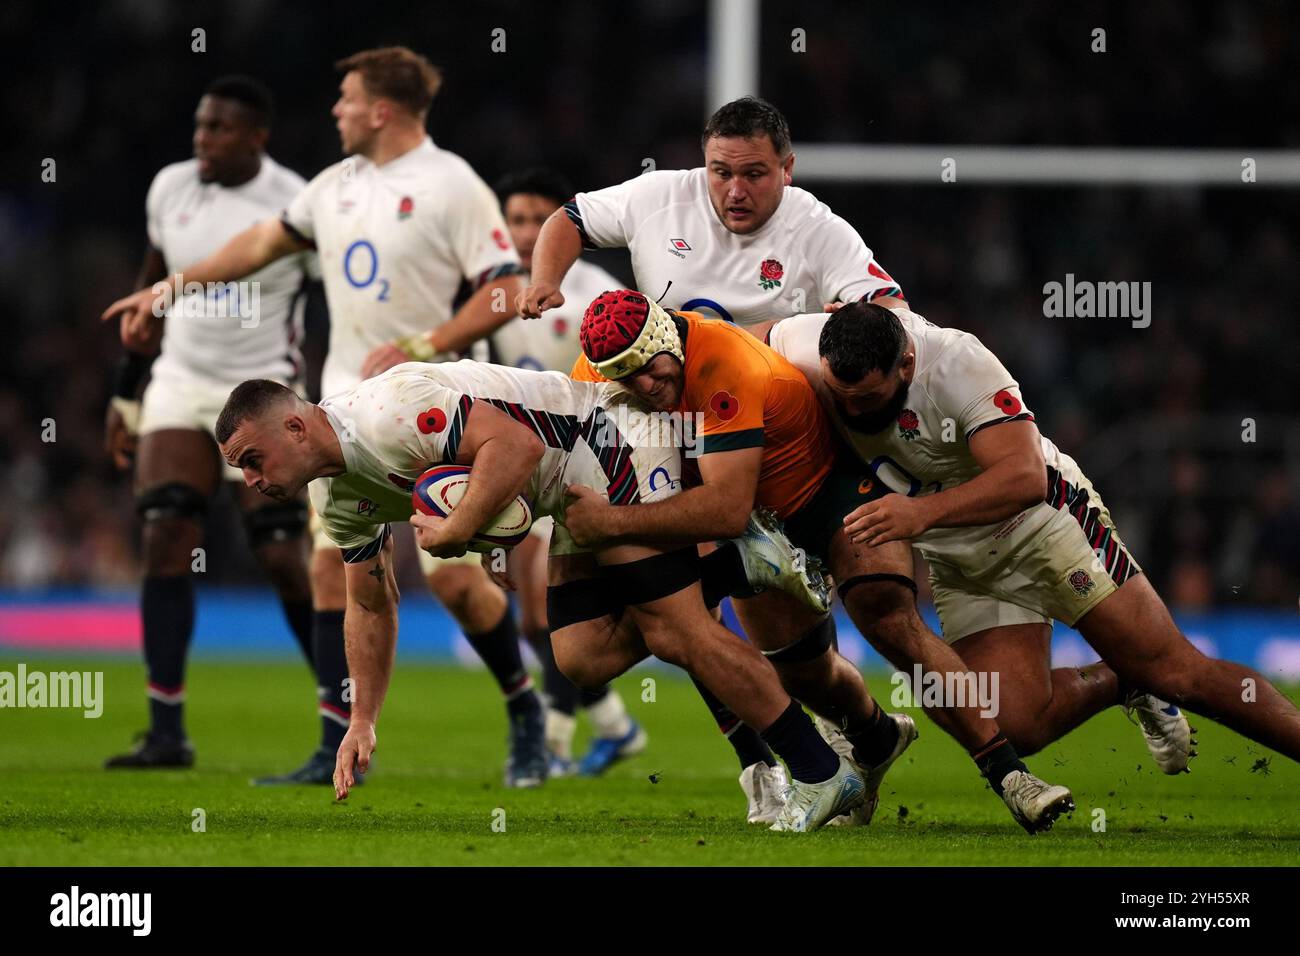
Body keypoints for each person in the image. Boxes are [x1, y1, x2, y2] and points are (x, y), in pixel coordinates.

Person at [103, 48, 548, 787]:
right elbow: (259, 245)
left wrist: (426, 343)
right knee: (332, 573)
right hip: (339, 418)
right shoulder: (331, 187)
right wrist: (172, 287)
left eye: (345, 99)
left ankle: (525, 712)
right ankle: (337, 740)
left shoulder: (452, 184)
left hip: (436, 413)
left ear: (380, 108)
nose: (334, 111)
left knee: (454, 583)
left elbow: (504, 291)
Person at [214, 362, 865, 832]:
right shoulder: (335, 497)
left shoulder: (387, 415)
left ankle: (820, 773)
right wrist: (363, 719)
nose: (251, 480)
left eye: (253, 458)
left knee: (675, 630)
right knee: (580, 656)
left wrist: (461, 528)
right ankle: (734, 561)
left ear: (296, 427)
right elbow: (371, 603)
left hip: (606, 438)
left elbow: (516, 445)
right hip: (564, 492)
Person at [569, 290, 1077, 832]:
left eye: (649, 367)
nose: (644, 385)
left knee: (890, 621)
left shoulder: (722, 363)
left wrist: (614, 525)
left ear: (668, 339)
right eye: (626, 376)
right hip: (752, 533)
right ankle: (875, 736)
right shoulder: (593, 379)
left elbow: (722, 509)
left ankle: (1012, 778)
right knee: (805, 677)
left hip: (827, 493)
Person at [769, 301, 1300, 768]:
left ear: (905, 363)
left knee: (1177, 671)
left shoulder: (959, 363)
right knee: (1016, 725)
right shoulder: (799, 342)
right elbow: (742, 355)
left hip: (1044, 525)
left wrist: (919, 516)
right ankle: (1124, 680)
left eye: (867, 398)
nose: (852, 410)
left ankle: (1151, 677)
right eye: (841, 396)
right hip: (963, 560)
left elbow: (1026, 478)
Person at [101, 76, 320, 774]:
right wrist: (128, 395)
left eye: (220, 129)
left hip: (260, 391)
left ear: (256, 136)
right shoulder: (170, 187)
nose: (203, 140)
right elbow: (153, 280)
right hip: (179, 380)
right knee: (165, 535)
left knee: (284, 555)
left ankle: (343, 719)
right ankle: (167, 732)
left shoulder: (294, 199)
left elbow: (337, 287)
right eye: (200, 126)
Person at [490, 167, 640, 776]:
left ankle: (551, 744)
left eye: (536, 219)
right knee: (531, 617)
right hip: (528, 467)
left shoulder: (594, 295)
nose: (525, 232)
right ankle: (615, 727)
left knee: (548, 612)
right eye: (515, 219)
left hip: (586, 468)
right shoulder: (496, 294)